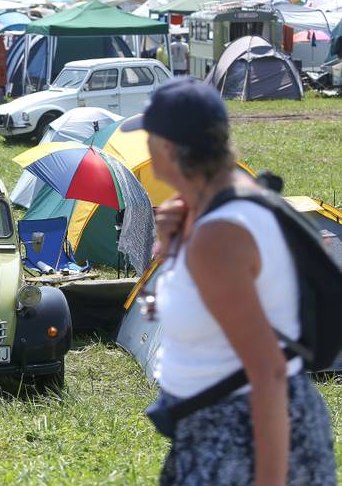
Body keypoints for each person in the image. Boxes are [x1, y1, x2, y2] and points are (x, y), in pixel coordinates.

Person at [124, 78, 335, 486]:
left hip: (243, 434)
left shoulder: (219, 235)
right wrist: (173, 247)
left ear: (167, 148)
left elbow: (269, 372)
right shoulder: (226, 204)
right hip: (219, 425)